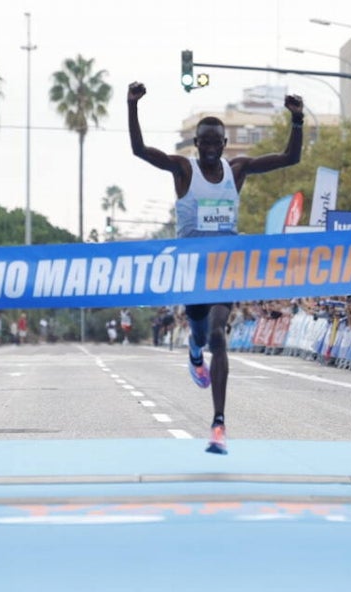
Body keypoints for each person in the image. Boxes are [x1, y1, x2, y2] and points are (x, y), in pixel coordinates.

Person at [128, 81, 303, 454]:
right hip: (192, 269)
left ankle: (218, 423)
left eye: (215, 144)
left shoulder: (236, 171)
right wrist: (133, 106)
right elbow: (140, 150)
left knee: (219, 337)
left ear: (224, 145)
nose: (209, 150)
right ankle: (193, 351)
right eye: (203, 143)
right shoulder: (182, 170)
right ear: (196, 145)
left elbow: (289, 158)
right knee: (200, 334)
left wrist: (298, 119)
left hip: (225, 266)